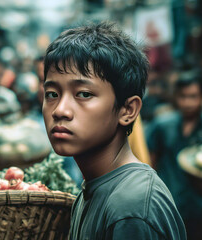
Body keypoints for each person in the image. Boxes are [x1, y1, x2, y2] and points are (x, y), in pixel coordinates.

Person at [42, 21, 186, 239]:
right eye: (52, 94)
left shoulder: (131, 207)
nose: (60, 110)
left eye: (83, 94)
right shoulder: (93, 189)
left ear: (127, 110)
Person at [147, 70, 202, 239]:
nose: (187, 102)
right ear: (176, 97)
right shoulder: (162, 125)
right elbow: (151, 161)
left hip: (201, 210)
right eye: (183, 96)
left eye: (193, 96)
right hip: (166, 205)